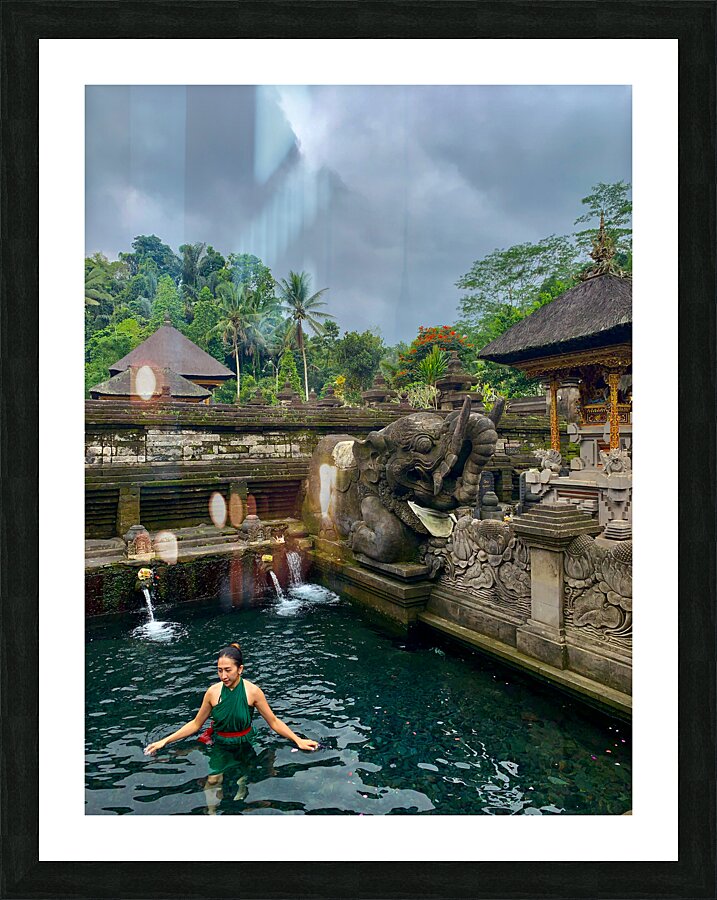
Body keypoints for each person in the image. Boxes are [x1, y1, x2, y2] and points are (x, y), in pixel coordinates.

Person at [144, 642, 319, 757]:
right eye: (219, 670)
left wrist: (298, 740)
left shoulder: (253, 692)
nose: (223, 675)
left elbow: (273, 721)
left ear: (240, 669)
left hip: (245, 743)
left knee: (242, 783)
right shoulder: (212, 692)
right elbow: (196, 724)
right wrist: (164, 741)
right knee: (213, 781)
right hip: (220, 744)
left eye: (228, 670)